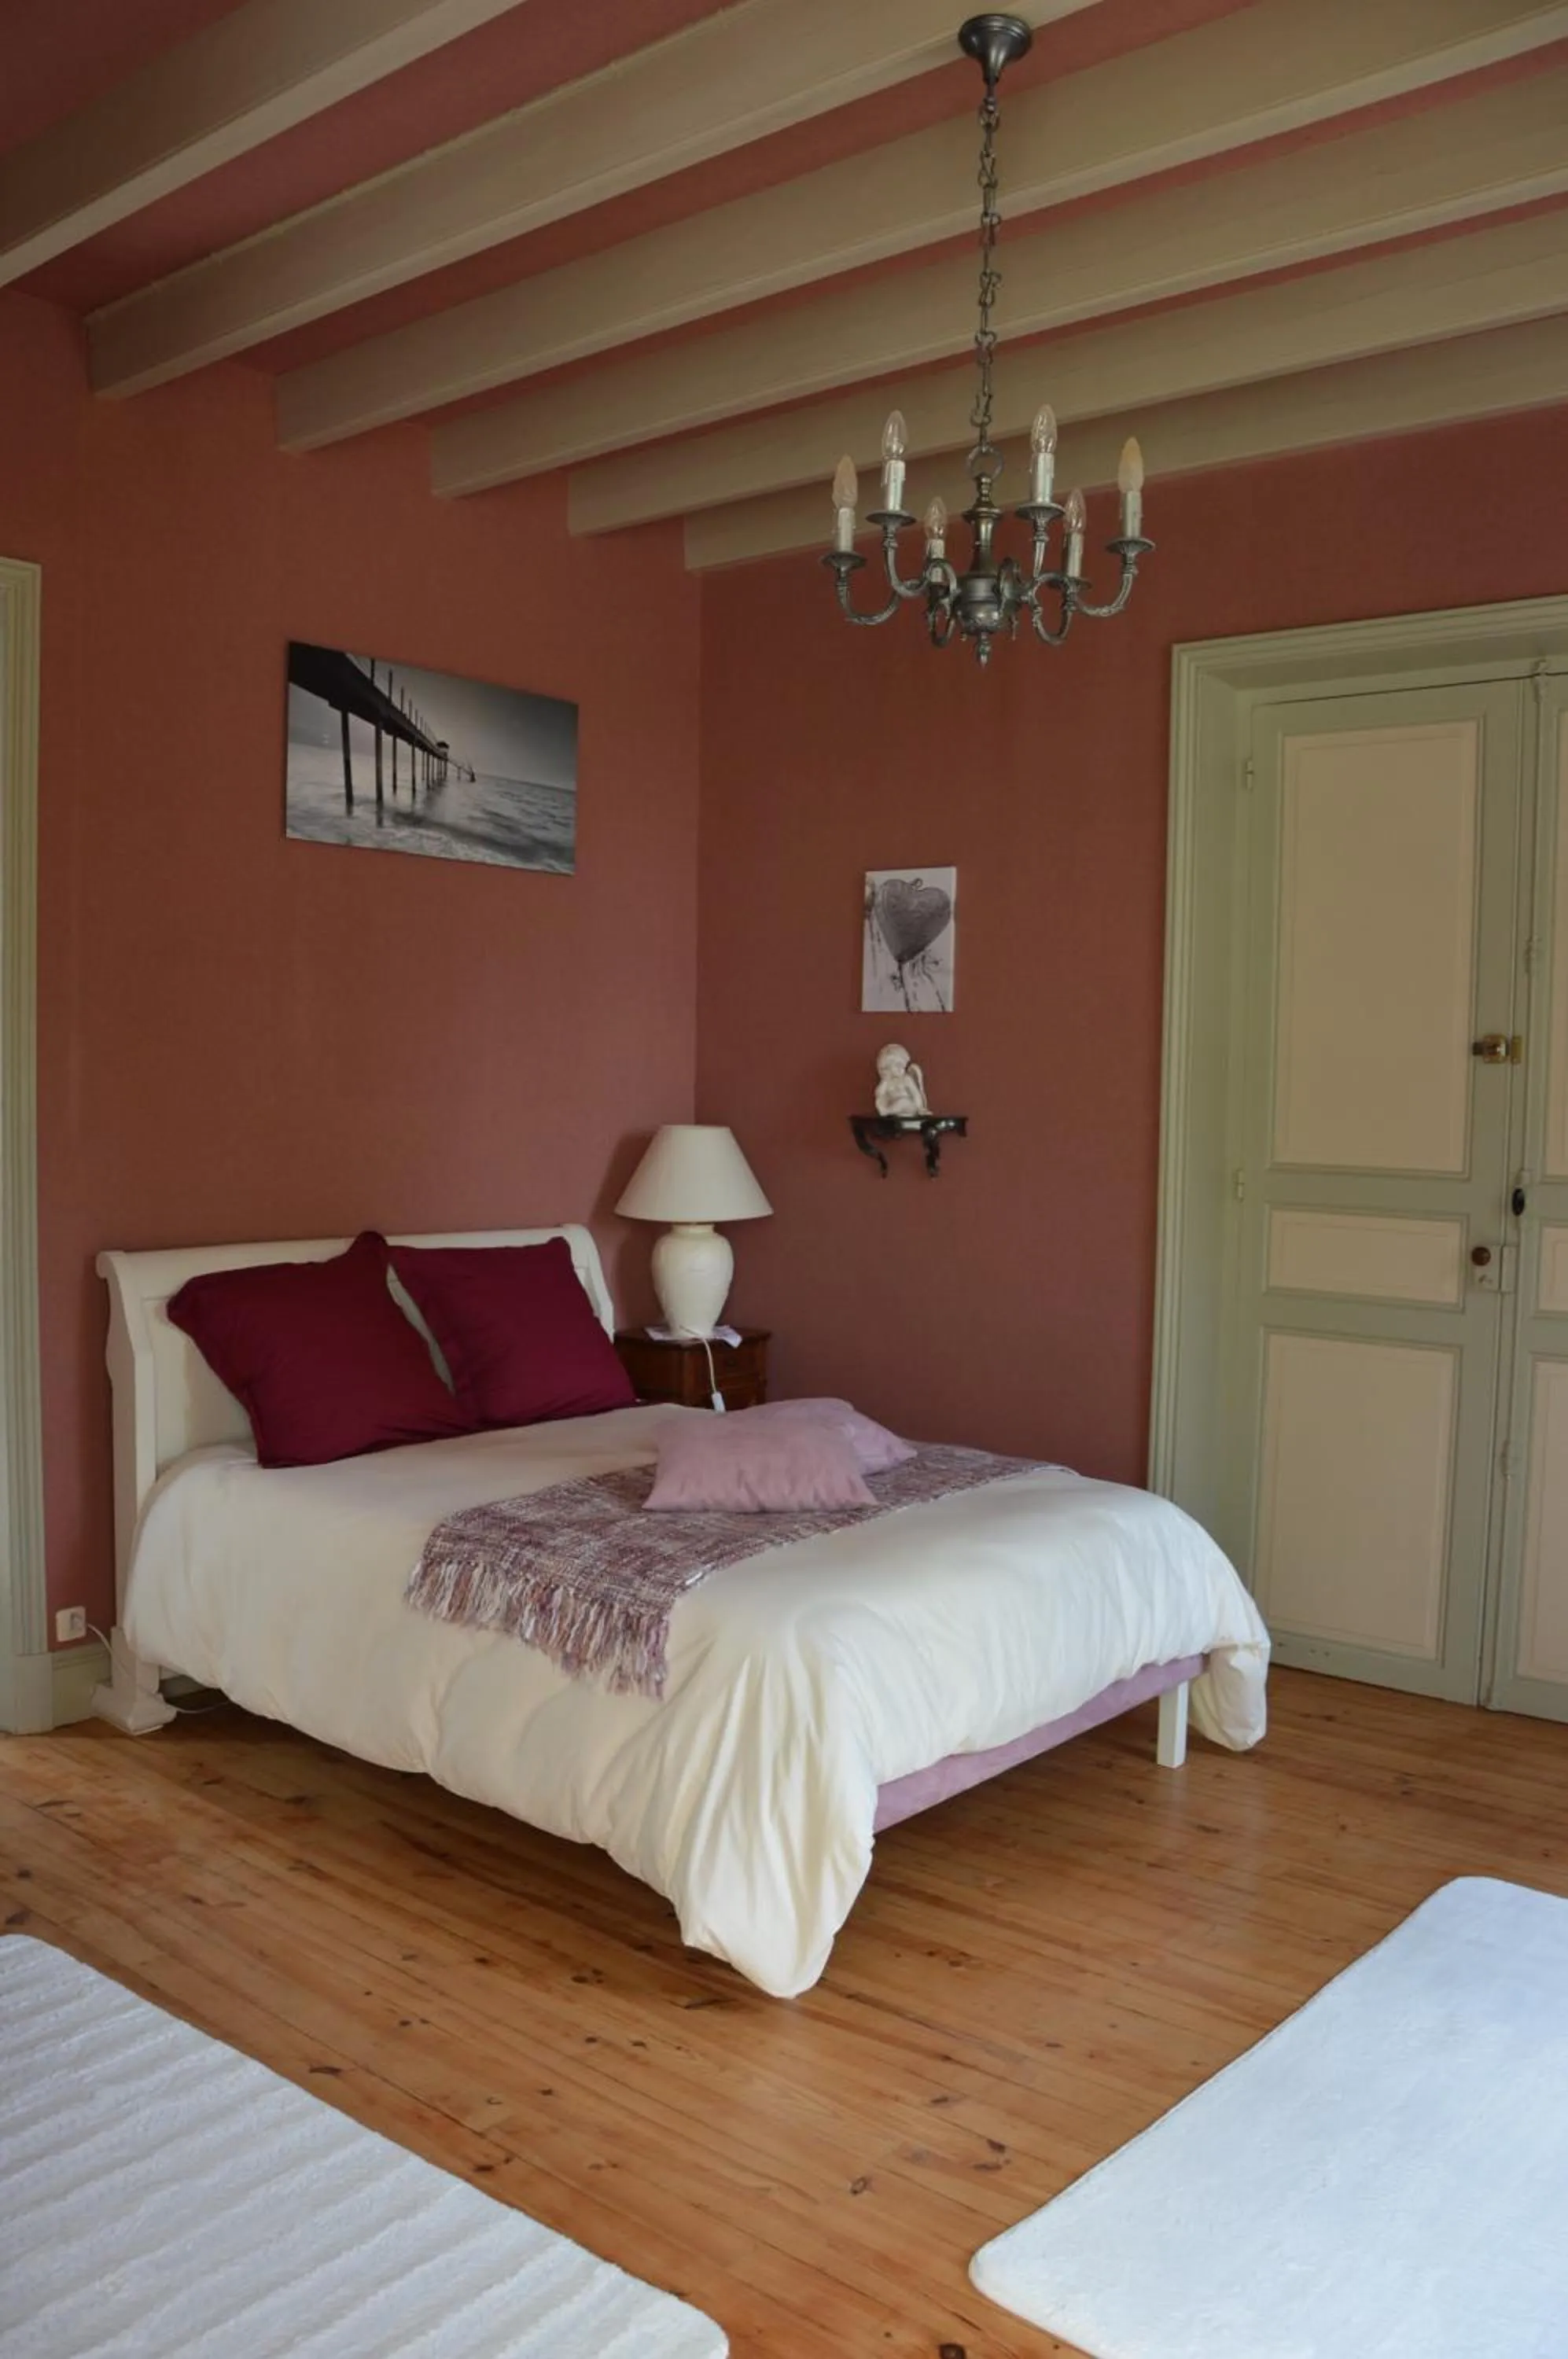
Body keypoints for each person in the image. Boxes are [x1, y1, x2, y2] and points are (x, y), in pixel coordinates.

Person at [874, 1042, 929, 1118]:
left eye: (902, 1066)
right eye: (897, 1066)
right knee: (879, 1102)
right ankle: (887, 1110)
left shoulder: (906, 1079)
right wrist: (884, 1081)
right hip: (893, 1107)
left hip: (909, 1107)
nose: (901, 1069)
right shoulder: (888, 1082)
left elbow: (915, 1094)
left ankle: (887, 1111)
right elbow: (879, 1093)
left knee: (902, 1102)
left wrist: (920, 1108)